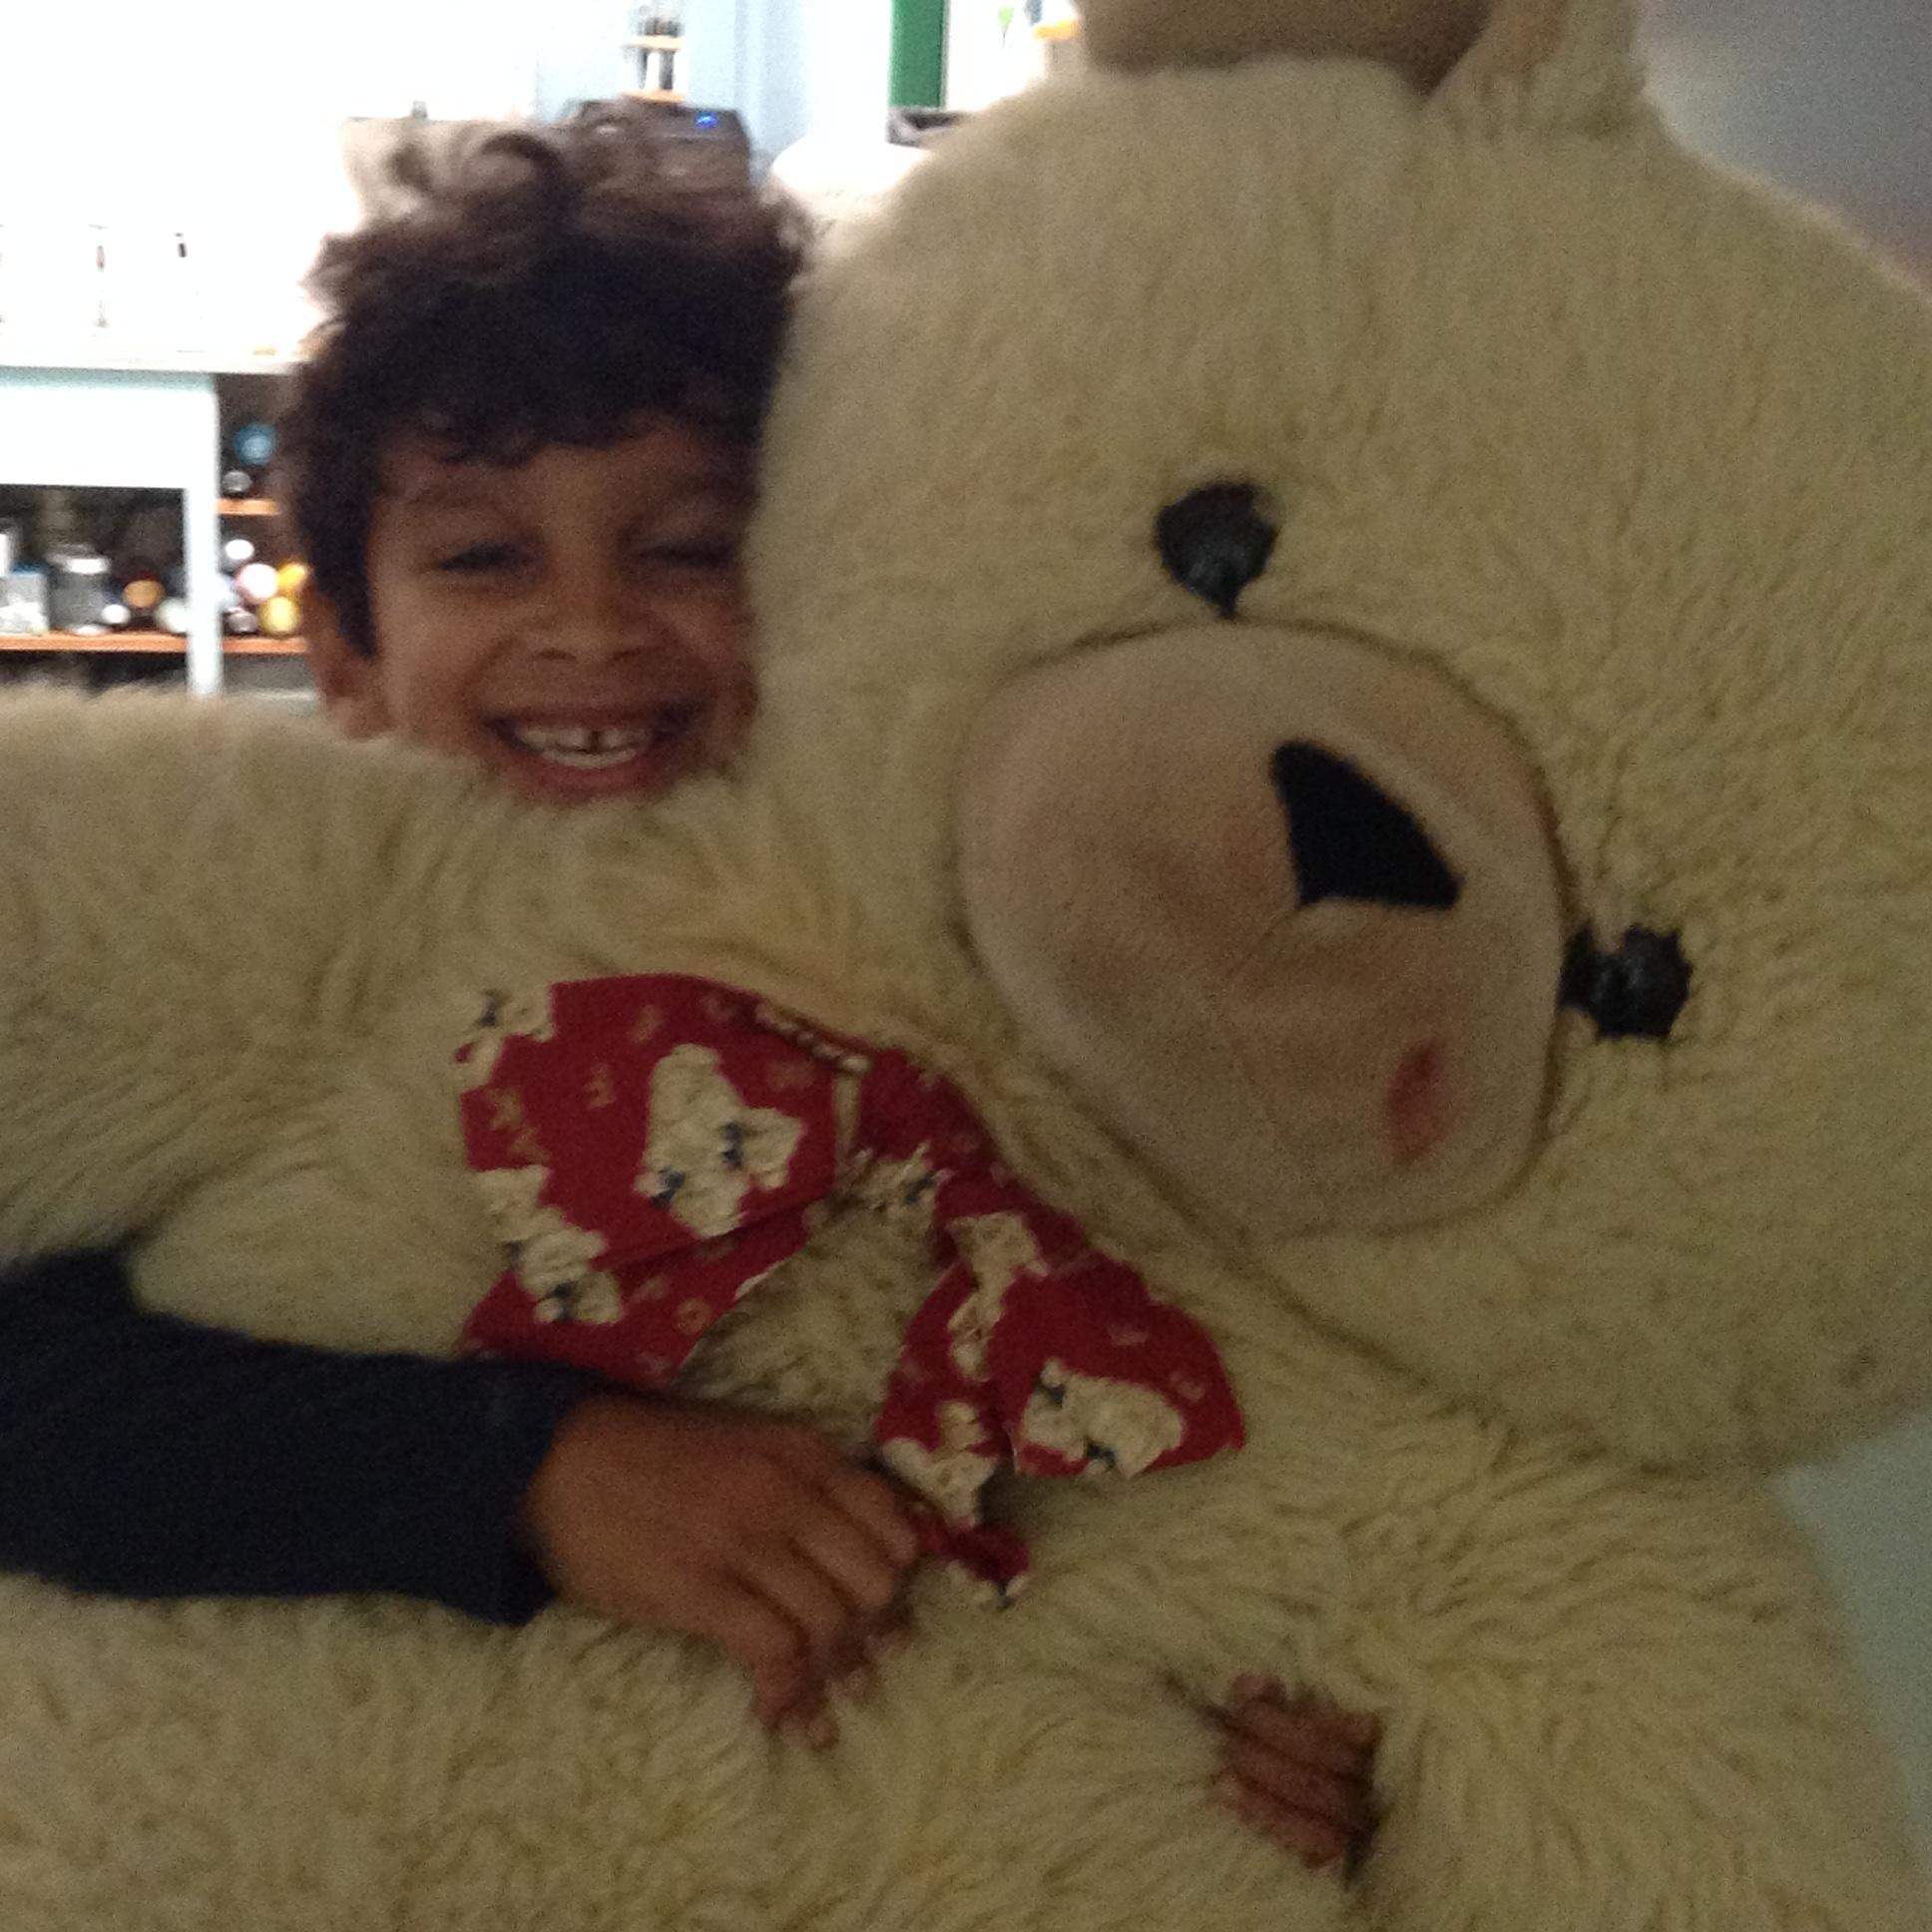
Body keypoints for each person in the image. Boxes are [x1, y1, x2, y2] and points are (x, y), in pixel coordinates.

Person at [0, 103, 1376, 1870]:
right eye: (484, 556)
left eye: (686, 547)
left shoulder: (942, 948)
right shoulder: (274, 942)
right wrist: (527, 1470)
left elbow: (1167, 1375)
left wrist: (1287, 1689)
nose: (591, 627)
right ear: (342, 647)